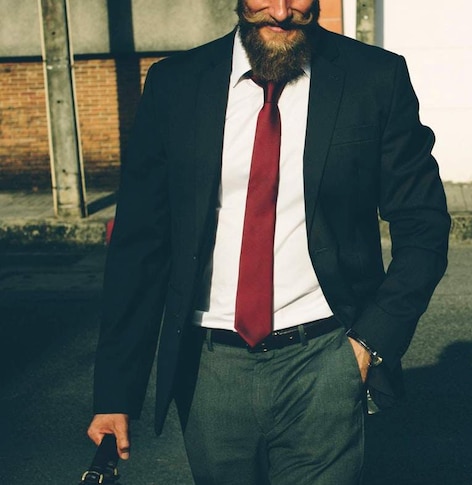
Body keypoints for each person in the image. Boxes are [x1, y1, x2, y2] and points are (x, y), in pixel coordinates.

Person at [86, 0, 450, 483]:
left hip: (325, 358)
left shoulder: (373, 78)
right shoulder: (176, 83)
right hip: (209, 369)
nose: (280, 11)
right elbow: (141, 244)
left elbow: (423, 223)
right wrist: (116, 393)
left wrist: (369, 344)